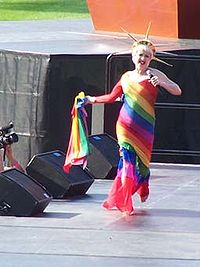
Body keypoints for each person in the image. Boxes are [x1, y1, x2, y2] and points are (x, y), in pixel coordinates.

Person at [85, 39, 182, 215]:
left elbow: (177, 90)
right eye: (140, 54)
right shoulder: (126, 77)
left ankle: (143, 184)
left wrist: (161, 83)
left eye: (146, 55)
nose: (142, 58)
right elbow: (110, 97)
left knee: (143, 165)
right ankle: (124, 199)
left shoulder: (155, 75)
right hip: (124, 127)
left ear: (151, 59)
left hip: (145, 127)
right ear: (133, 56)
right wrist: (91, 100)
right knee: (127, 163)